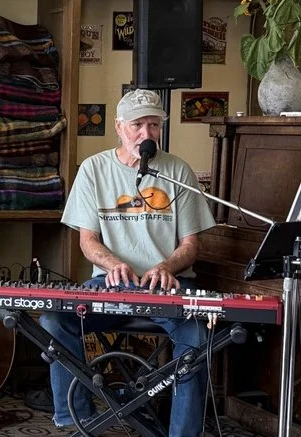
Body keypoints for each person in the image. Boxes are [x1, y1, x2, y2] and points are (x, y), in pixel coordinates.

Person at [39, 89, 216, 436]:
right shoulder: (94, 169)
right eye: (137, 125)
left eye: (154, 125)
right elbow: (87, 241)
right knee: (54, 321)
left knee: (196, 337)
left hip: (169, 285)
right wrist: (113, 264)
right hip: (110, 283)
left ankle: (183, 432)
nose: (146, 134)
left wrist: (166, 267)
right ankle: (78, 417)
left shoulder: (177, 171)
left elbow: (191, 245)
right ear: (119, 127)